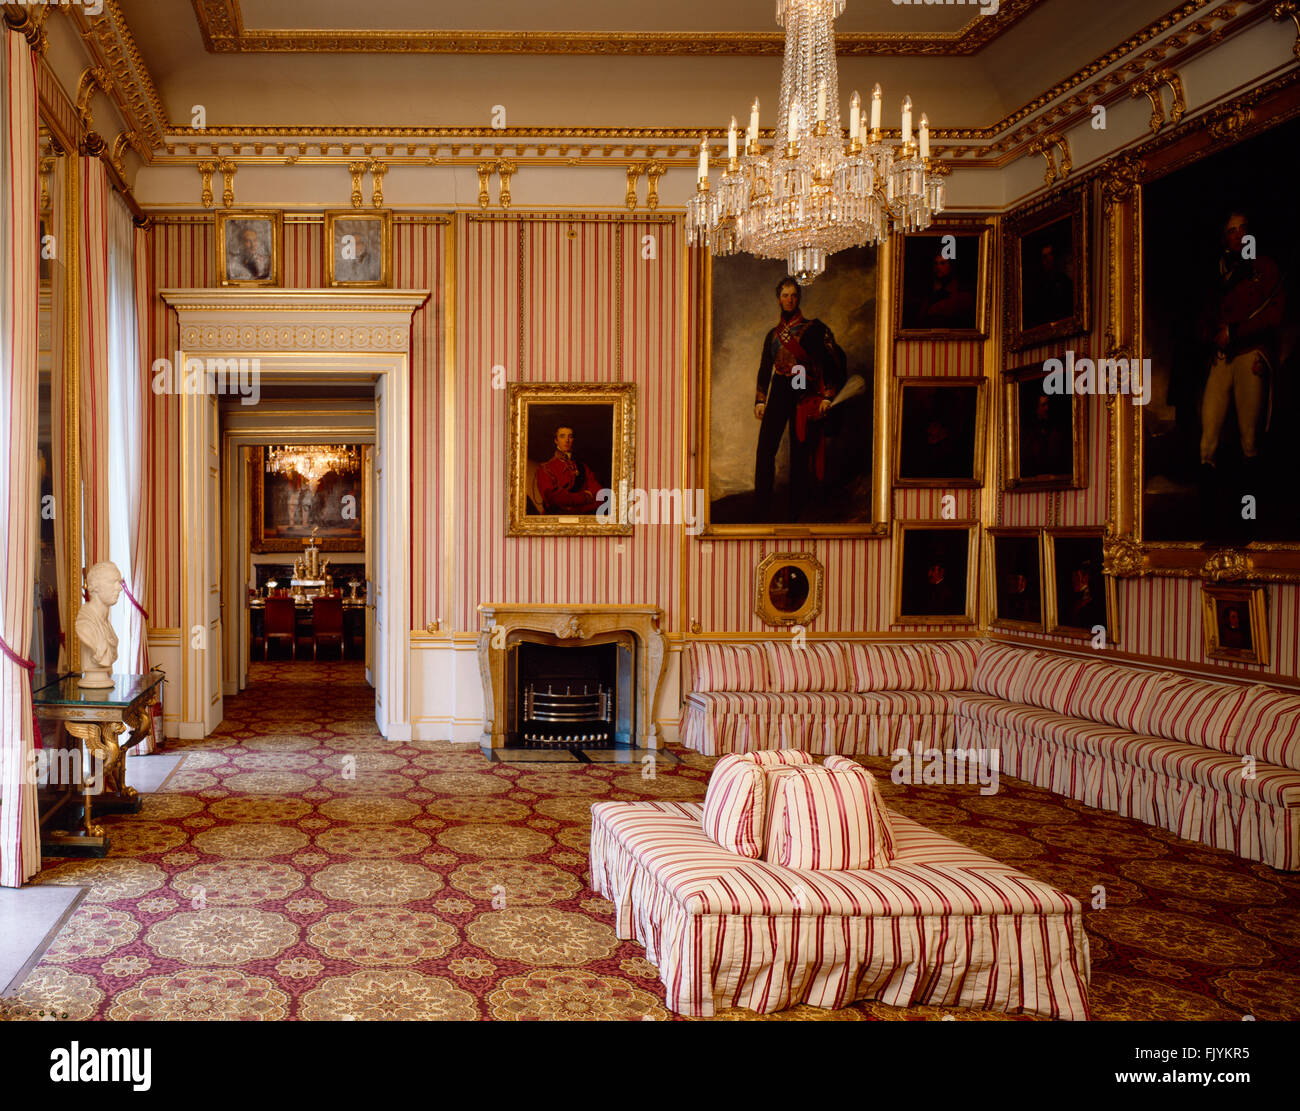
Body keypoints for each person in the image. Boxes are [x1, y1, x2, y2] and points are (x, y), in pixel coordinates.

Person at [1197, 210, 1285, 476]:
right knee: (1208, 438)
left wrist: (1234, 333)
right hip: (1222, 357)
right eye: (1232, 231)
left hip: (1251, 354)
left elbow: (1274, 315)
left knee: (1249, 439)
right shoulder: (1219, 272)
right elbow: (1206, 315)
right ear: (1224, 238)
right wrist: (1212, 335)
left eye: (1243, 228)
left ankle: (1251, 508)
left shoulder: (1266, 267)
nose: (1239, 235)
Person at [753, 278, 847, 520]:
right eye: (785, 295)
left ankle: (797, 509)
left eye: (793, 295)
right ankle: (761, 506)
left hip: (802, 387)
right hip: (780, 389)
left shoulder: (814, 328)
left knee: (800, 450)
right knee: (765, 448)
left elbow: (829, 362)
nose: (789, 300)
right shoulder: (772, 335)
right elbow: (765, 368)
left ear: (799, 298)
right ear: (778, 298)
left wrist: (827, 395)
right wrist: (761, 400)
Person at [75, 561, 122, 688]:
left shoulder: (105, 623)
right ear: (96, 586)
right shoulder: (86, 624)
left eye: (119, 582)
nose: (120, 587)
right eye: (113, 582)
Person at [536, 425, 603, 514]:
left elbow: (599, 495)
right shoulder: (545, 468)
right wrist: (585, 497)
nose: (567, 440)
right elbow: (554, 498)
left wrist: (577, 508)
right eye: (562, 436)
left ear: (573, 440)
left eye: (570, 437)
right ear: (556, 440)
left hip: (582, 517)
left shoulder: (583, 467)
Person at [916, 251, 975, 330]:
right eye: (936, 263)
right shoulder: (929, 292)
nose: (938, 267)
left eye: (943, 263)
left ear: (950, 266)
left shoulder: (962, 293)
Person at [1024, 240, 1074, 329]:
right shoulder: (1037, 285)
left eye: (1050, 255)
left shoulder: (1064, 281)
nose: (1048, 260)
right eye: (1045, 257)